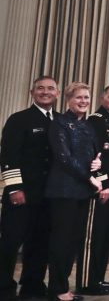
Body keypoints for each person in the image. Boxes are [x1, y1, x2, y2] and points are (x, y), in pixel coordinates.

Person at [0, 76, 58, 300]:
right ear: (31, 91)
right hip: (22, 193)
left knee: (40, 243)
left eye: (50, 88)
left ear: (57, 93)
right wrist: (15, 188)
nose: (45, 92)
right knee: (11, 243)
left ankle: (32, 286)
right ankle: (4, 288)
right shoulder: (19, 119)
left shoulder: (60, 120)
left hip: (49, 195)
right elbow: (8, 156)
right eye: (40, 88)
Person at [46, 82, 103, 301]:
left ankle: (64, 288)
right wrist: (90, 177)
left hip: (83, 191)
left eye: (87, 98)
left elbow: (96, 156)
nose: (83, 102)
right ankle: (57, 290)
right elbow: (64, 158)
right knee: (61, 241)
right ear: (68, 99)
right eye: (79, 97)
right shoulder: (59, 123)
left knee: (73, 241)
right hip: (62, 190)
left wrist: (98, 166)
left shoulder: (88, 126)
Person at [77, 85, 109, 295]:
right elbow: (93, 157)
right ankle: (87, 282)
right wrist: (102, 184)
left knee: (105, 235)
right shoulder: (96, 120)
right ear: (102, 98)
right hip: (100, 188)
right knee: (93, 237)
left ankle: (98, 277)